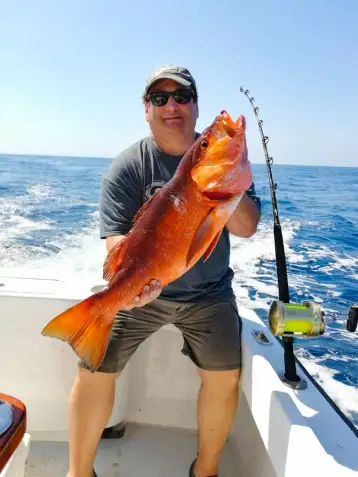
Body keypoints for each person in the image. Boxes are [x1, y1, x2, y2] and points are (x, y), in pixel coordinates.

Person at [66, 65, 261, 477]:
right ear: (146, 109)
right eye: (159, 98)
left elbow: (245, 228)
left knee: (225, 376)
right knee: (93, 368)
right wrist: (133, 288)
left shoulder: (230, 172)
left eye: (182, 96)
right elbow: (117, 245)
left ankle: (205, 471)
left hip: (210, 294)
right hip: (143, 293)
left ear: (194, 104)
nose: (171, 105)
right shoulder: (128, 165)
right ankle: (78, 473)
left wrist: (227, 185)